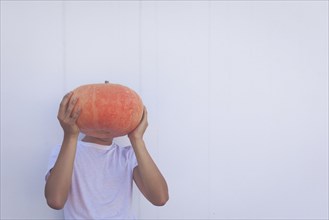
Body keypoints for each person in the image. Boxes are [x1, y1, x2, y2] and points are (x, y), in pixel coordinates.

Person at [44, 91, 169, 219]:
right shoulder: (65, 150)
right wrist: (70, 136)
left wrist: (137, 139)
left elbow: (160, 198)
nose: (106, 121)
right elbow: (55, 200)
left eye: (113, 114)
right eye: (101, 113)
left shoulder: (128, 156)